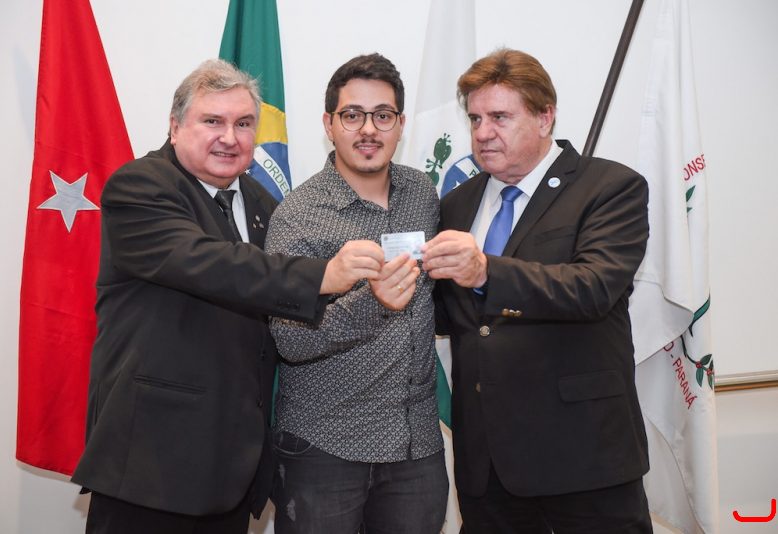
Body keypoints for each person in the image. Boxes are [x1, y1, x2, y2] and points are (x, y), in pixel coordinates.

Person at [70, 59, 385, 533]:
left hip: (233, 468)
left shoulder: (264, 204)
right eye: (212, 121)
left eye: (243, 124)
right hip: (152, 464)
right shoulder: (139, 185)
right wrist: (325, 274)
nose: (230, 138)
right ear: (175, 127)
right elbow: (211, 264)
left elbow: (277, 312)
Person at [422, 48, 652, 533]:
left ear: (545, 117)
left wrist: (486, 271)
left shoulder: (609, 188)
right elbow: (454, 315)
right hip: (487, 466)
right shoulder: (457, 204)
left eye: (500, 117)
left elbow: (593, 288)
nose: (483, 133)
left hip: (584, 458)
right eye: (476, 119)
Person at [265, 53, 448, 534]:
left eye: (382, 115)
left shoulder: (422, 194)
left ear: (400, 124)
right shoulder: (297, 216)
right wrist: (373, 303)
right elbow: (290, 341)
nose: (368, 129)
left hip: (417, 447)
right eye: (352, 115)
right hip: (324, 448)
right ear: (329, 124)